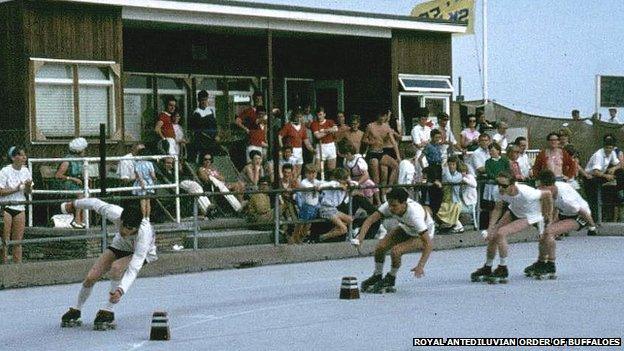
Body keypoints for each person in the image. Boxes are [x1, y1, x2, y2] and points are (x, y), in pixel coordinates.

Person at [60, 198, 155, 330]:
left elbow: (134, 268)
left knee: (117, 268)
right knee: (91, 277)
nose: (124, 231)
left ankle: (108, 310)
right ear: (121, 219)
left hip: (140, 253)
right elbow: (95, 203)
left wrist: (120, 290)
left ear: (137, 228)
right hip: (119, 246)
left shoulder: (144, 234)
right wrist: (74, 204)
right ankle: (76, 309)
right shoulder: (115, 213)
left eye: (129, 229)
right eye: (122, 225)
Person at [470, 171, 553, 284]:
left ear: (513, 184)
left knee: (501, 233)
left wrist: (548, 214)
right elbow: (498, 209)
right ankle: (488, 267)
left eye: (504, 185)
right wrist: (490, 228)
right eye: (498, 183)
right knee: (493, 235)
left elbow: (547, 194)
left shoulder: (527, 193)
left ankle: (503, 268)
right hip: (514, 210)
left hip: (530, 215)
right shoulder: (498, 191)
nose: (500, 187)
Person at [353, 188, 434, 294]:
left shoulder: (415, 215)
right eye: (389, 205)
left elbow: (428, 244)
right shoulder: (389, 205)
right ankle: (377, 275)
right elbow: (370, 220)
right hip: (406, 227)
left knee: (396, 251)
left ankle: (391, 277)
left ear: (404, 203)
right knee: (380, 247)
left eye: (394, 206)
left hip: (421, 234)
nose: (391, 208)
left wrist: (421, 265)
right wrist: (360, 238)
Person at [526, 170, 598, 278]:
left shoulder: (566, 199)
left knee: (549, 232)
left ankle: (551, 265)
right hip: (564, 212)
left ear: (550, 186)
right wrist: (550, 222)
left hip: (579, 216)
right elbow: (554, 208)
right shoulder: (551, 191)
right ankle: (541, 263)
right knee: (544, 235)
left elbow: (582, 211)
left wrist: (592, 227)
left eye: (541, 187)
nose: (538, 190)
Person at [0, 146, 33, 264]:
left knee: (18, 241)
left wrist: (28, 186)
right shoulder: (5, 171)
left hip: (20, 207)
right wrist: (16, 188)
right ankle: (4, 269)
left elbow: (28, 192)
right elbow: (1, 191)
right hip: (6, 207)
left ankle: (17, 270)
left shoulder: (26, 170)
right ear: (13, 157)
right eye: (21, 155)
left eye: (25, 155)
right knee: (5, 241)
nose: (24, 157)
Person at [362, 111, 399, 199]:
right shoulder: (370, 126)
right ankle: (378, 200)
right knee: (376, 178)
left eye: (384, 116)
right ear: (378, 116)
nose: (382, 118)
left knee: (395, 165)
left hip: (381, 152)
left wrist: (398, 156)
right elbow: (364, 140)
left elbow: (394, 142)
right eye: (381, 116)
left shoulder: (386, 127)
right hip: (372, 153)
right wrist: (371, 142)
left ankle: (388, 188)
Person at [584, 134, 620, 220]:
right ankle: (593, 219)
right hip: (590, 178)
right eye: (607, 148)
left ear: (613, 148)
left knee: (620, 172)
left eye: (610, 148)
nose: (608, 150)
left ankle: (616, 190)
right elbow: (595, 172)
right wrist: (606, 176)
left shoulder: (612, 153)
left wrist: (614, 168)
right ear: (604, 147)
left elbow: (619, 164)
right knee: (593, 200)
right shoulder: (598, 155)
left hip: (600, 175)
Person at [54, 137, 88, 229]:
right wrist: (72, 178)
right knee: (81, 195)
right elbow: (58, 175)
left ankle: (83, 220)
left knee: (87, 194)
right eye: (84, 149)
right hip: (66, 184)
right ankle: (77, 219)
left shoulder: (80, 160)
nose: (85, 151)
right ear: (79, 150)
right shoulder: (67, 160)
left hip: (76, 185)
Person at [317, 168, 353, 242]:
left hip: (334, 209)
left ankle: (329, 234)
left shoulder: (346, 184)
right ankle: (322, 237)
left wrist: (348, 182)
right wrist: (339, 185)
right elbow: (323, 185)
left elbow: (355, 183)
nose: (345, 180)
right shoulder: (334, 183)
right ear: (339, 179)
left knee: (349, 220)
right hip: (326, 209)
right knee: (344, 229)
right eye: (344, 179)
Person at [278, 110, 314, 178]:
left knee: (298, 171)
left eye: (300, 117)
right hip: (291, 151)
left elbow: (306, 141)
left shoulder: (303, 127)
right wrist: (282, 147)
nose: (298, 118)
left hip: (299, 151)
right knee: (291, 171)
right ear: (293, 117)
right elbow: (280, 136)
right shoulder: (288, 126)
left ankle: (297, 186)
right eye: (297, 117)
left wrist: (312, 150)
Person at [293, 164, 322, 243]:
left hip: (315, 206)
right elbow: (307, 187)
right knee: (302, 222)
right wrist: (315, 187)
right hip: (307, 206)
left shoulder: (317, 181)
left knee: (309, 224)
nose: (312, 175)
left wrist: (320, 186)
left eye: (314, 173)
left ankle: (302, 238)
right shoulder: (304, 182)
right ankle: (295, 237)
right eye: (309, 173)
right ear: (306, 174)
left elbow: (322, 184)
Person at [419, 129, 444, 215]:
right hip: (432, 167)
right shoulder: (428, 146)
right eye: (436, 137)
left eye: (439, 137)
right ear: (432, 137)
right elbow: (420, 158)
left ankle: (436, 211)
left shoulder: (438, 146)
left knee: (439, 189)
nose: (438, 139)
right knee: (433, 189)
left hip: (439, 167)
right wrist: (425, 169)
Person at [438, 156, 465, 233]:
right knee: (439, 212)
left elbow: (451, 180)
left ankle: (458, 226)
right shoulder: (445, 174)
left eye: (453, 164)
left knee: (452, 212)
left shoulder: (459, 175)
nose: (451, 166)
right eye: (449, 164)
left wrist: (446, 169)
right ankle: (448, 226)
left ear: (456, 165)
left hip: (454, 200)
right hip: (446, 198)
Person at [190, 90, 218, 162]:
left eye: (205, 100)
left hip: (212, 141)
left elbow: (215, 125)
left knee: (211, 160)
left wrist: (217, 135)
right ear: (198, 100)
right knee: (204, 159)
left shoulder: (210, 111)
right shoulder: (196, 113)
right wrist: (211, 136)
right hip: (203, 142)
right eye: (202, 100)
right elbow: (199, 129)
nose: (204, 102)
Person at [311, 106, 338, 171]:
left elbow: (336, 129)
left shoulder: (330, 121)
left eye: (320, 114)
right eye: (317, 115)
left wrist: (324, 131)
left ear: (324, 114)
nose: (319, 117)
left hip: (330, 146)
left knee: (331, 168)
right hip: (320, 146)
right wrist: (329, 131)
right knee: (318, 169)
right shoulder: (314, 124)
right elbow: (318, 136)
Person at [132, 148, 156, 219]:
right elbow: (153, 175)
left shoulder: (137, 164)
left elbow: (137, 175)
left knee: (142, 201)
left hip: (140, 182)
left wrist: (141, 181)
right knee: (148, 201)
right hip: (149, 182)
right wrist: (154, 179)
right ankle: (148, 218)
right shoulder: (150, 164)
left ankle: (143, 218)